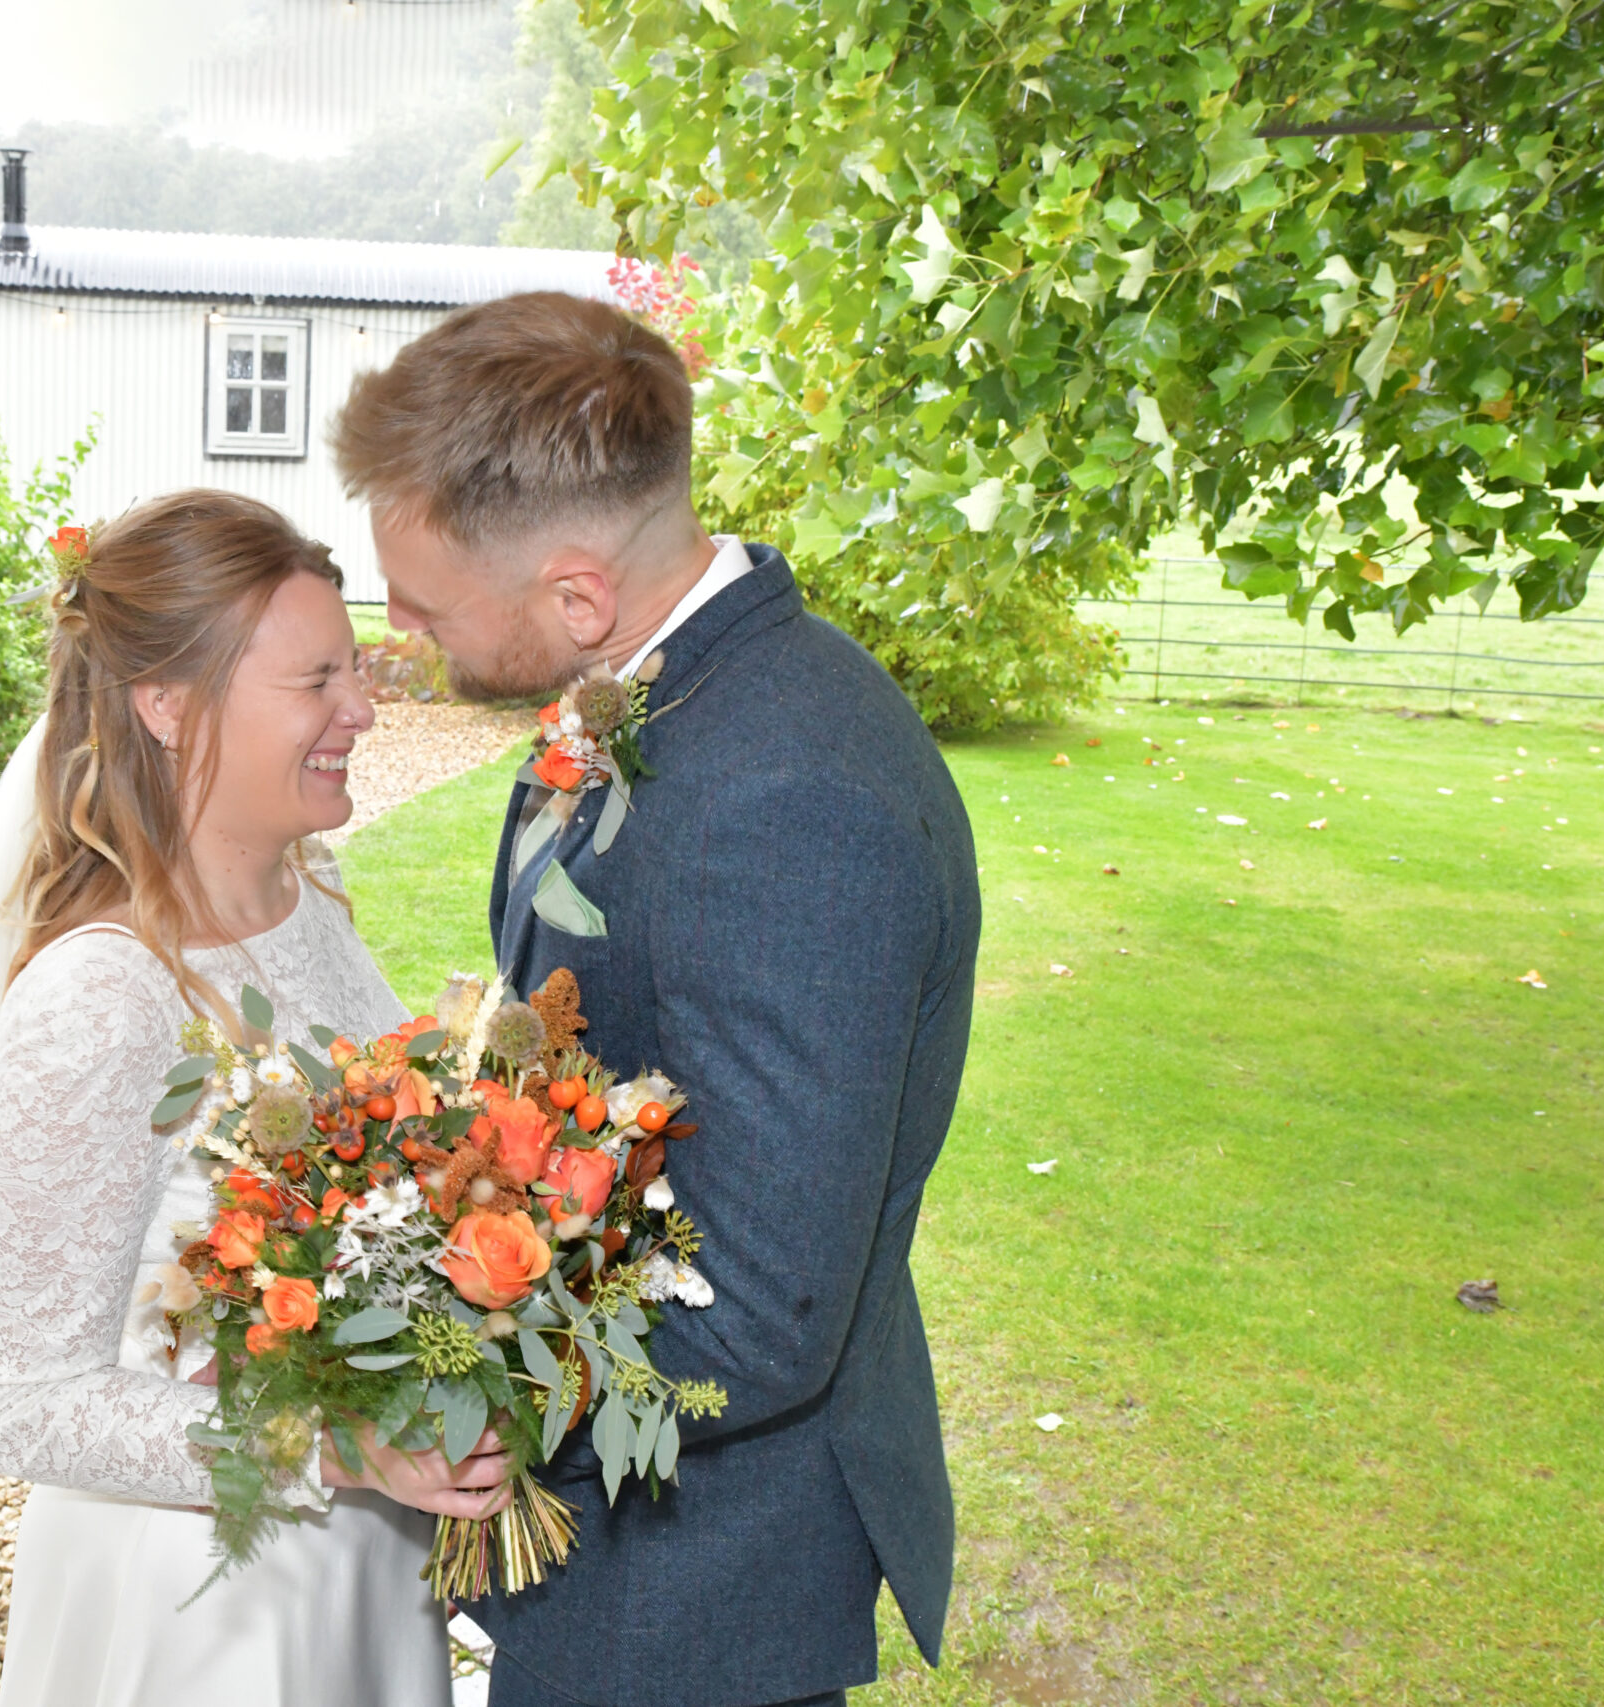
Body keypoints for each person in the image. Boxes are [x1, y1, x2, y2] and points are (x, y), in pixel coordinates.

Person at [331, 292, 983, 1707]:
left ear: (575, 591)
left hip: (690, 1600)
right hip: (626, 1555)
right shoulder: (643, 687)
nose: (399, 630)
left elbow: (756, 1309)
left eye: (427, 604)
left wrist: (434, 1380)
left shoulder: (792, 797)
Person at [0, 490, 510, 1705]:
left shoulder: (309, 901)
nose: (362, 711)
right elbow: (21, 1405)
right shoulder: (103, 996)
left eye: (357, 672)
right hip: (199, 1606)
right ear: (167, 703)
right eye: (317, 679)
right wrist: (326, 1444)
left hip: (364, 1576)